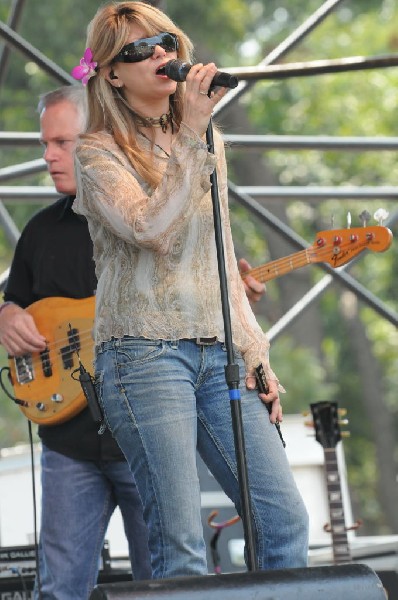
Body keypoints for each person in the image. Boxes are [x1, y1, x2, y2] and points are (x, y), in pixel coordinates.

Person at [71, 0, 309, 579]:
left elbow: (221, 254)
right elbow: (150, 228)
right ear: (111, 73)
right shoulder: (96, 152)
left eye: (167, 42)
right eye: (139, 49)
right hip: (144, 357)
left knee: (285, 520)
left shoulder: (202, 140)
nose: (160, 54)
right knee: (180, 546)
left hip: (218, 355)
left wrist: (257, 354)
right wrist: (195, 131)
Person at [0, 85, 152, 600]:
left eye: (62, 142)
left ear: (101, 140)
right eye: (46, 143)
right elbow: (13, 300)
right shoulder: (40, 232)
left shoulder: (150, 219)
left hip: (147, 438)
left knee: (169, 584)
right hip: (69, 445)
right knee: (59, 588)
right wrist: (5, 314)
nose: (47, 156)